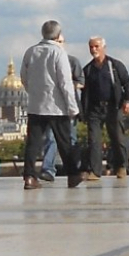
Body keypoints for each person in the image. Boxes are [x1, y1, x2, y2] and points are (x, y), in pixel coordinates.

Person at [19, 21, 85, 190]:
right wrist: (72, 107)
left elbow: (24, 77)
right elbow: (65, 82)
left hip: (36, 105)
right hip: (56, 106)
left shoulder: (31, 51)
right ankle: (73, 174)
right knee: (65, 142)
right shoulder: (58, 53)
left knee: (33, 143)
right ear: (57, 35)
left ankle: (29, 177)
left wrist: (33, 92)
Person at [82, 35, 129, 180]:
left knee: (117, 138)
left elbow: (127, 83)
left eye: (96, 46)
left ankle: (121, 166)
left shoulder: (115, 66)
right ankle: (95, 171)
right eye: (91, 47)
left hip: (113, 107)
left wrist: (127, 101)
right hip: (95, 110)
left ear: (103, 47)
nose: (93, 49)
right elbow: (85, 92)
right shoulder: (88, 69)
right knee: (94, 140)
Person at [40, 47, 84, 181]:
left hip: (67, 106)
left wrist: (65, 85)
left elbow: (81, 83)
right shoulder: (45, 62)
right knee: (50, 138)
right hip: (51, 107)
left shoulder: (72, 61)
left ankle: (74, 168)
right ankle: (48, 169)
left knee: (70, 139)